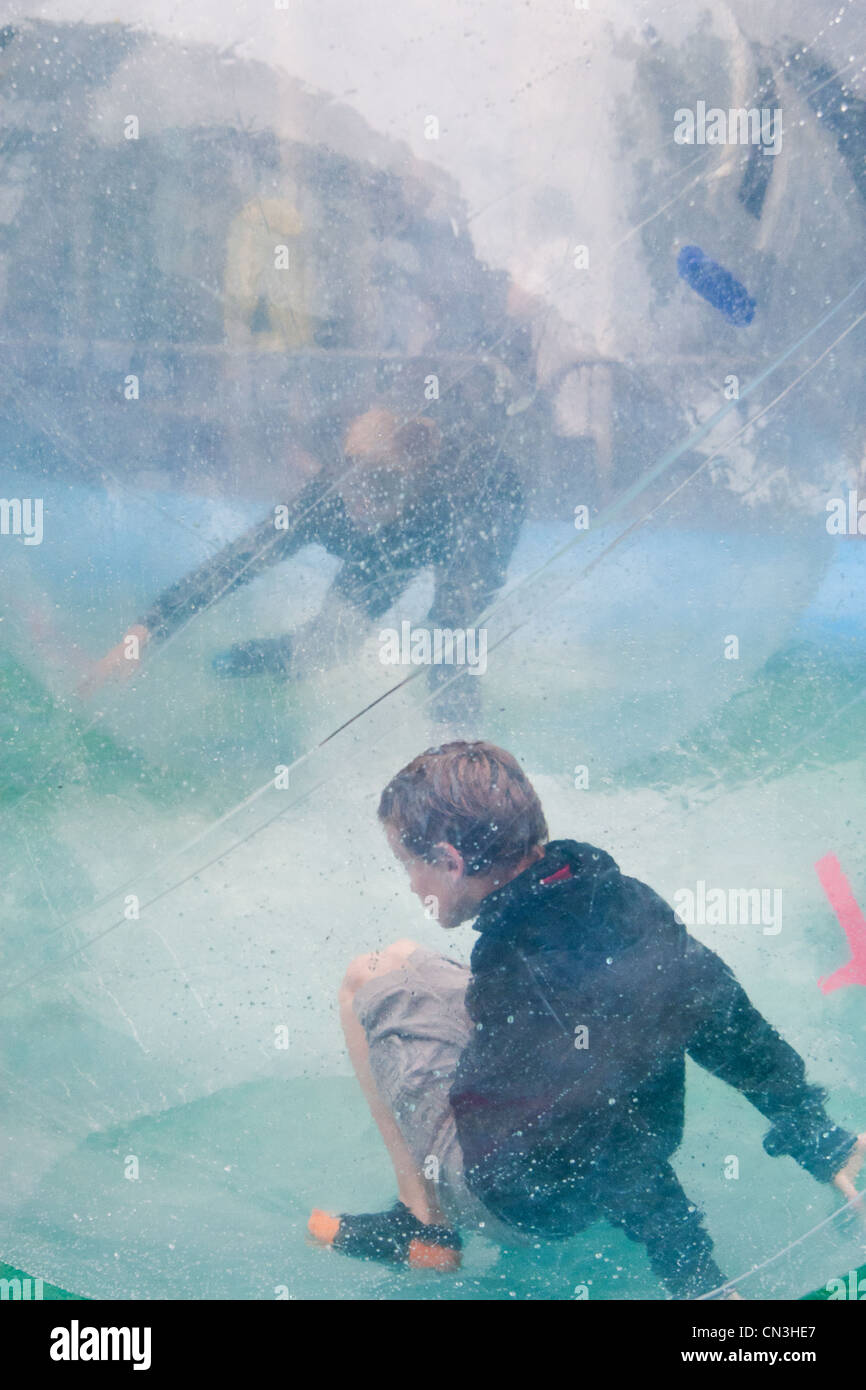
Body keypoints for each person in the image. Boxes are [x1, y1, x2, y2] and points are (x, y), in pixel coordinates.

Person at [308, 740, 866, 1298]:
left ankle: (424, 1225)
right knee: (410, 962)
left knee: (370, 974)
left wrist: (694, 1276)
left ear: (452, 862)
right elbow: (722, 1013)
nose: (411, 883)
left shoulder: (518, 974)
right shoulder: (621, 897)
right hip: (612, 1150)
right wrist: (815, 1132)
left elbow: (590, 1130)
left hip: (522, 1201)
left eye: (410, 863)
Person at [79, 407, 524, 723]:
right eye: (355, 480)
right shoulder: (331, 501)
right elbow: (234, 564)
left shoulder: (457, 493)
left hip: (487, 507)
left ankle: (461, 752)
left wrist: (451, 738)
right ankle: (226, 666)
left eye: (379, 482)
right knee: (329, 644)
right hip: (397, 532)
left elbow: (457, 623)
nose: (363, 498)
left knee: (451, 623)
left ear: (410, 475)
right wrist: (140, 634)